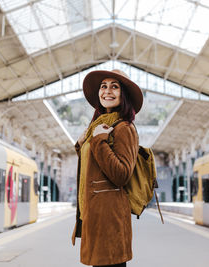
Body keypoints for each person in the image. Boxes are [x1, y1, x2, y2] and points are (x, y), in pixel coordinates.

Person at [71, 69, 143, 267]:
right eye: (103, 86)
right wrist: (81, 144)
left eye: (114, 86)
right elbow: (94, 166)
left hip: (110, 221)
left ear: (123, 94)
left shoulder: (124, 128)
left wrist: (99, 141)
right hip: (96, 215)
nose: (107, 91)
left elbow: (121, 174)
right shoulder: (98, 126)